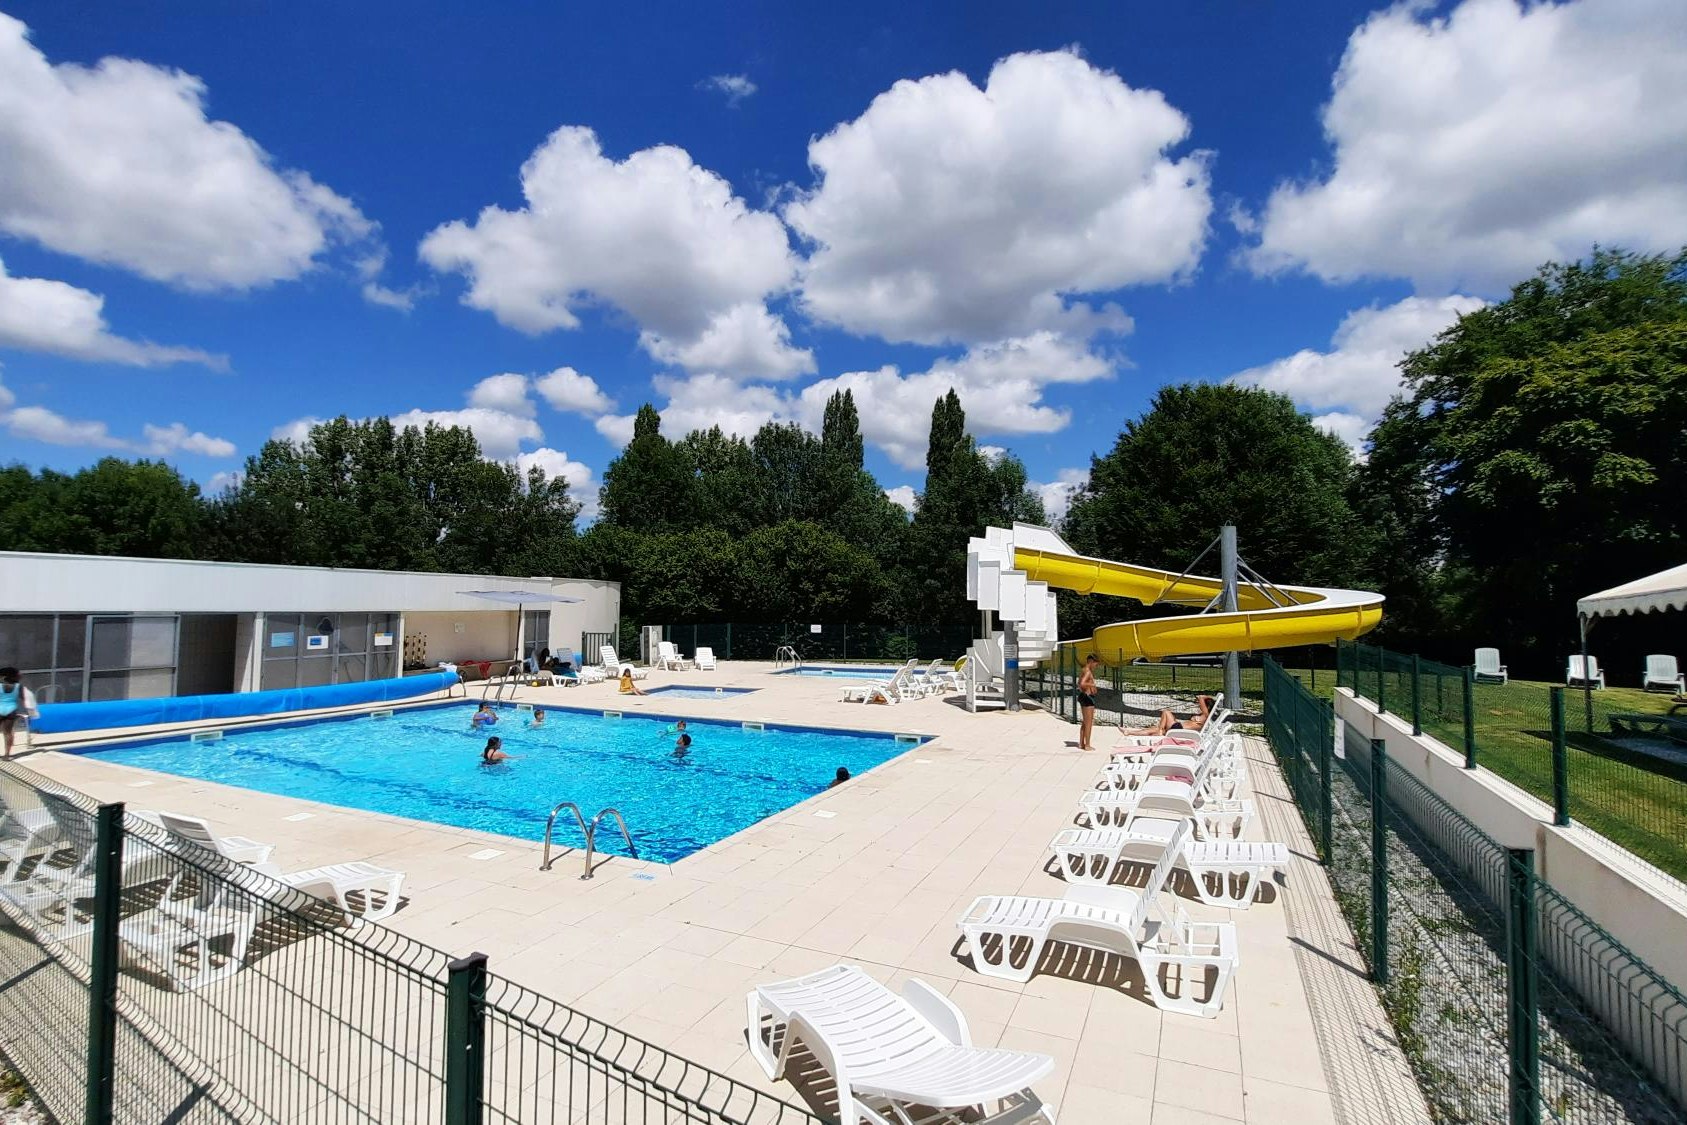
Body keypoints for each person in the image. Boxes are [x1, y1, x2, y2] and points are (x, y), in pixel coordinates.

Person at [1120, 694, 1217, 738]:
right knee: (1152, 730)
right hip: (1178, 728)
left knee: (1166, 712)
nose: (1199, 705)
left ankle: (1160, 730)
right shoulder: (1204, 716)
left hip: (1178, 729)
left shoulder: (1206, 715)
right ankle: (1129, 732)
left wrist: (1211, 697)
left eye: (1202, 705)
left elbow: (1201, 697)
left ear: (1207, 706)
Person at [0, 668, 39, 759]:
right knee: (8, 733)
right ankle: (7, 755)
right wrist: (30, 710)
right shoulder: (19, 687)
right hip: (11, 710)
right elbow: (25, 699)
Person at [1077, 653, 1100, 751]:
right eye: (1095, 664)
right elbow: (1082, 683)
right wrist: (1092, 685)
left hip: (1083, 696)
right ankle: (1087, 745)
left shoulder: (1084, 670)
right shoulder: (1088, 672)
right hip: (1088, 697)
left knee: (1085, 722)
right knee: (1089, 723)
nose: (1096, 666)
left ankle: (1081, 743)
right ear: (1091, 661)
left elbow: (1079, 683)